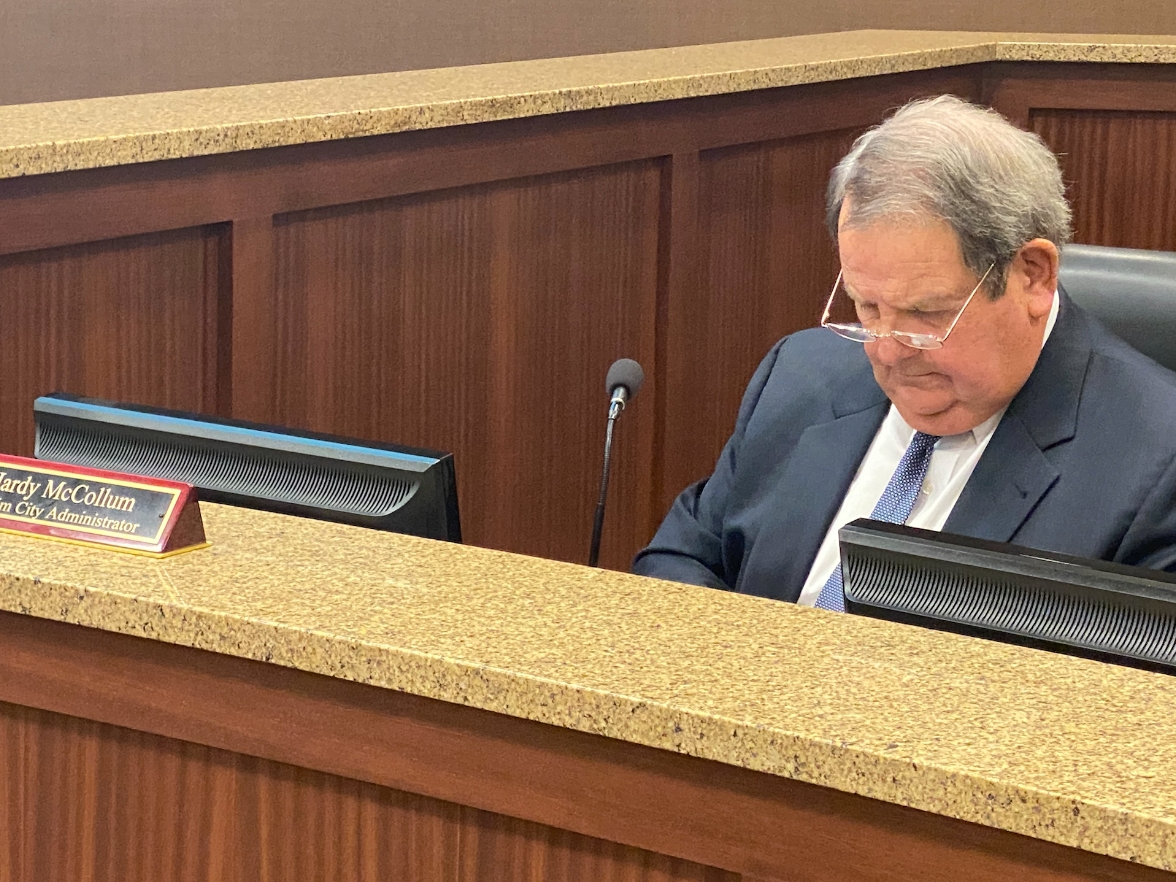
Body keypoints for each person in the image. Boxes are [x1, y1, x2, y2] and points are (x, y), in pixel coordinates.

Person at [632, 95, 1176, 608]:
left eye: (926, 314)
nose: (887, 352)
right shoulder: (800, 374)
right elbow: (681, 561)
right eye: (867, 306)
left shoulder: (1155, 464)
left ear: (1032, 276)